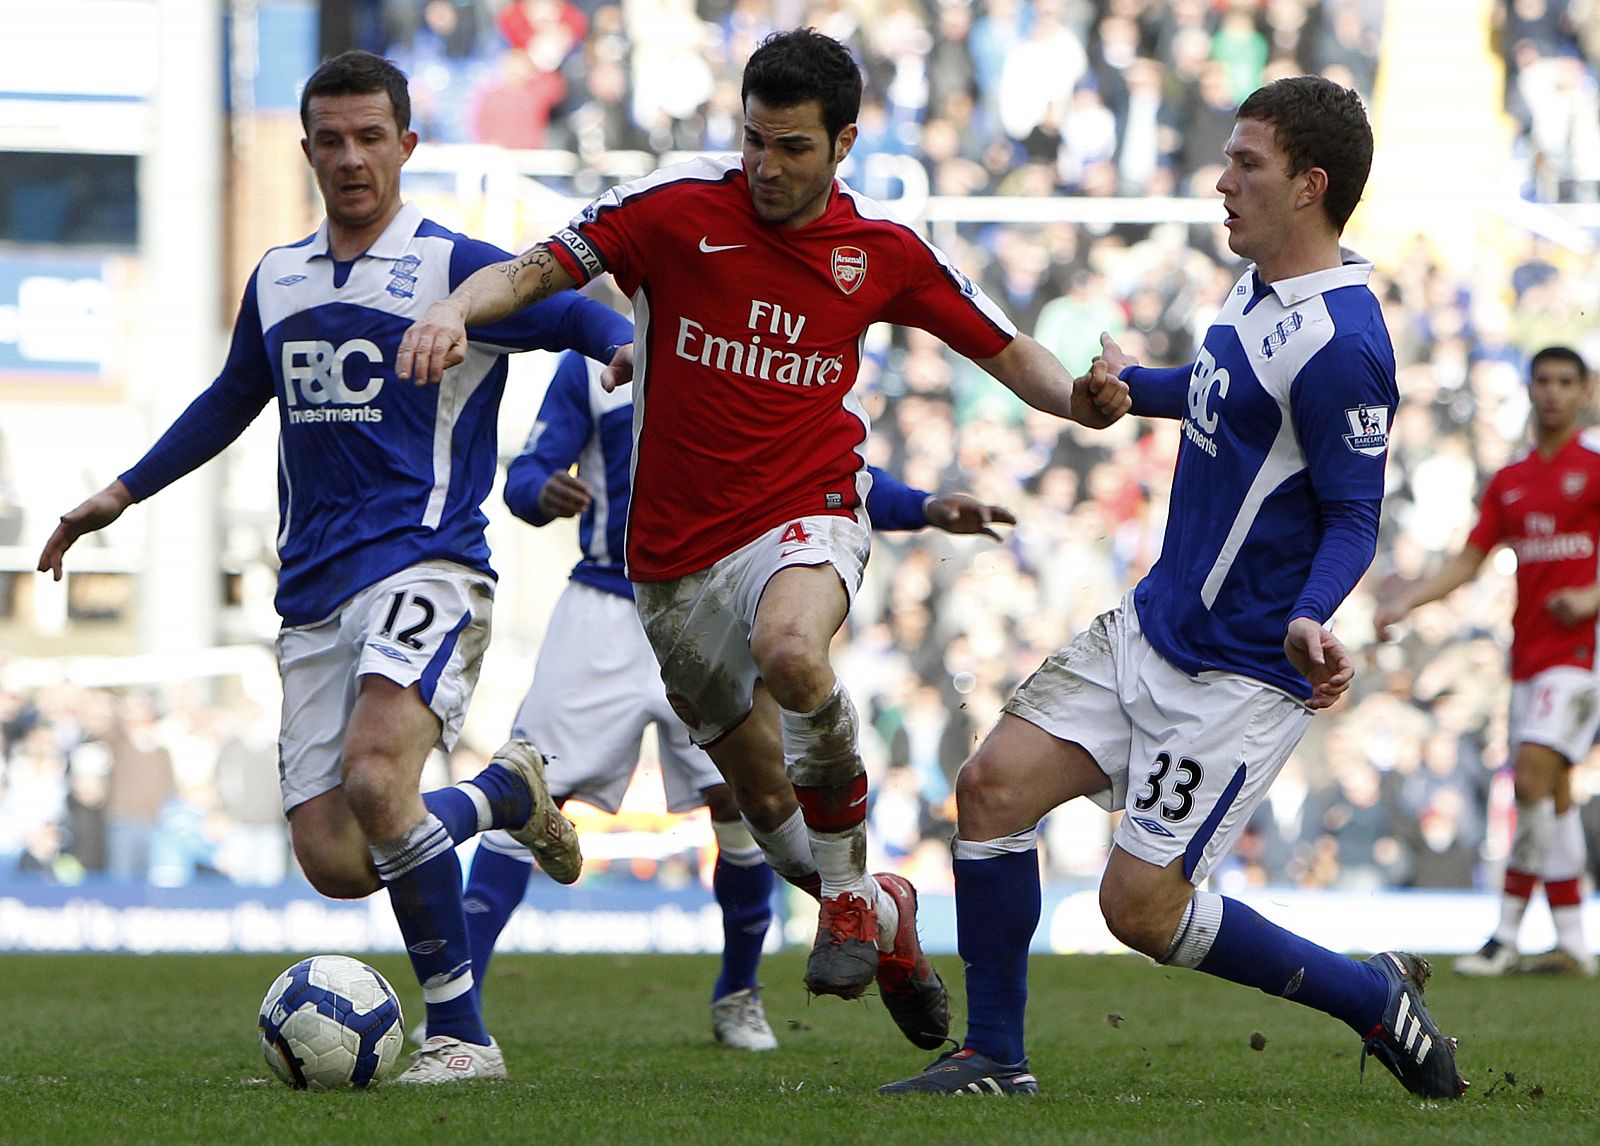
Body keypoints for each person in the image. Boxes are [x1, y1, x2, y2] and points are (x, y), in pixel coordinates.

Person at [397, 27, 1130, 1051]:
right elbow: (532, 270)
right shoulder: (672, 213)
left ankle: (836, 906)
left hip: (805, 510)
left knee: (794, 653)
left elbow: (1007, 350)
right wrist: (453, 313)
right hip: (668, 564)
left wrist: (1086, 405)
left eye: (791, 147)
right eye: (753, 141)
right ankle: (877, 911)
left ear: (844, 145)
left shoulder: (881, 254)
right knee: (768, 809)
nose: (766, 167)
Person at [36, 50, 635, 1084]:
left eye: (371, 137)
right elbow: (232, 398)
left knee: (375, 772)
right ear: (306, 148)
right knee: (335, 859)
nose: (351, 158)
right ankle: (502, 795)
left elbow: (568, 307)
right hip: (312, 592)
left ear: (408, 144)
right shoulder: (279, 276)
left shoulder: (455, 269)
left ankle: (461, 1034)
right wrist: (120, 492)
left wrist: (621, 342)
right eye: (331, 139)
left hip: (429, 563)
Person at [881, 75, 1468, 1099]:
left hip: (1237, 674)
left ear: (1309, 187)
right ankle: (994, 1058)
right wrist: (1129, 391)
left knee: (1139, 911)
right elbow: (1223, 399)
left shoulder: (1345, 346)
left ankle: (1367, 998)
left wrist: (1306, 615)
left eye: (1248, 164)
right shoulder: (1255, 285)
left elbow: (1355, 516)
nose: (1222, 180)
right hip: (1154, 627)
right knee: (989, 791)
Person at [459, 348, 1020, 1052]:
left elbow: (826, 477)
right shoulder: (592, 365)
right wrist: (542, 491)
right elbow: (528, 475)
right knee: (525, 794)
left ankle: (740, 993)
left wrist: (926, 505)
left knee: (747, 802)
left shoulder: (737, 344)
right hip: (605, 607)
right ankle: (458, 1007)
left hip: (719, 601)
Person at [1376, 345, 1599, 979]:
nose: (1553, 392)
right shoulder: (1511, 480)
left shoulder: (1597, 468)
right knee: (1550, 794)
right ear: (1527, 391)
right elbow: (1470, 560)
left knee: (1529, 779)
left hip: (1583, 655)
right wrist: (1408, 601)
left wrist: (1591, 595)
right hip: (1527, 653)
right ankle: (1575, 941)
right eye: (1543, 381)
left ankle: (1503, 934)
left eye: (1565, 382)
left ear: (1585, 393)